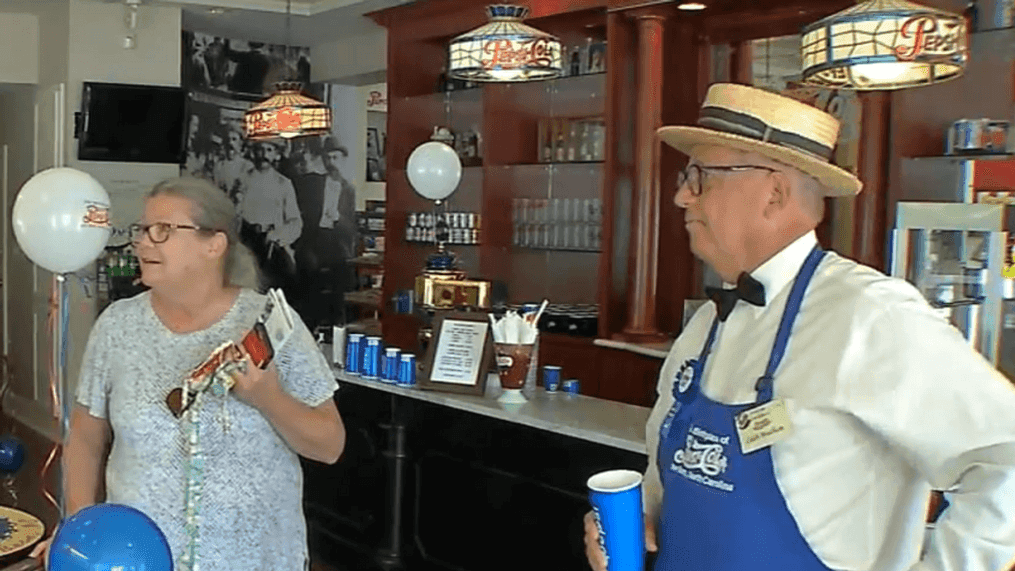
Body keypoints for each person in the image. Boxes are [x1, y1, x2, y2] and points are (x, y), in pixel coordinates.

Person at [584, 83, 1015, 571]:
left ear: (775, 192)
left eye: (701, 176)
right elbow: (681, 476)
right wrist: (642, 515)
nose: (682, 196)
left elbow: (1005, 456)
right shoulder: (706, 323)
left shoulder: (868, 315)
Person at [30, 176, 344, 570]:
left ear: (214, 244)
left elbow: (330, 446)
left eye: (162, 231)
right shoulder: (117, 326)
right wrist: (81, 526)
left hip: (253, 557)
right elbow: (87, 437)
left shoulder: (271, 324)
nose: (142, 242)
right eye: (142, 231)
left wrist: (268, 397)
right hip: (138, 556)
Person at [239, 140, 303, 289]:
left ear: (276, 155)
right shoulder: (242, 180)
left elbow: (295, 221)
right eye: (259, 149)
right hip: (246, 242)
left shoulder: (283, 183)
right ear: (253, 152)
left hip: (272, 244)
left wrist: (278, 235)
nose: (264, 155)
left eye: (269, 150)